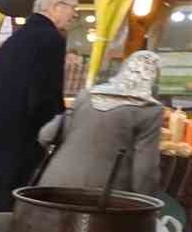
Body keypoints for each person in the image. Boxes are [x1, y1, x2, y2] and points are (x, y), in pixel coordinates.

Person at [0, 0, 78, 220]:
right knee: (16, 200)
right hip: (25, 136)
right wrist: (57, 128)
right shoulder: (50, 39)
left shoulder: (14, 40)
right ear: (57, 7)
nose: (73, 15)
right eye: (73, 9)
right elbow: (46, 92)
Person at [36, 51, 164, 194]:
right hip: (103, 197)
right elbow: (145, 170)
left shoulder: (87, 95)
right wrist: (147, 200)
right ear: (153, 77)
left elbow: (46, 135)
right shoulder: (149, 110)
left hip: (54, 184)